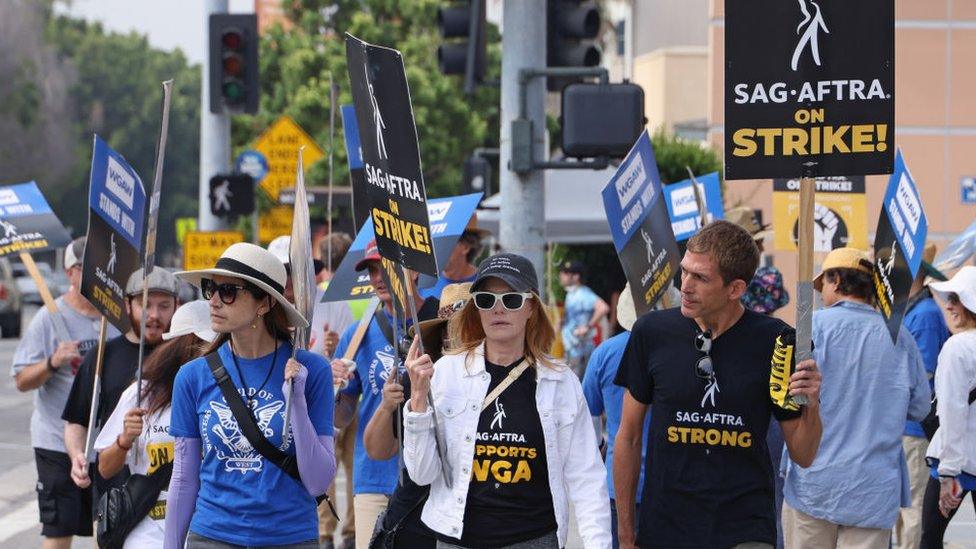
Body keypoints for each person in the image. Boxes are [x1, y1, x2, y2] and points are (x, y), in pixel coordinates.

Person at [613, 220, 823, 549]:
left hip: (744, 530)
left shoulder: (777, 342)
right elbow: (628, 436)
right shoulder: (651, 333)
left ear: (735, 289)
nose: (685, 285)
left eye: (700, 278)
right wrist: (625, 535)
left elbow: (804, 454)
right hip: (666, 528)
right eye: (684, 272)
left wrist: (812, 403)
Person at [403, 253, 612, 548]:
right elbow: (422, 474)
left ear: (530, 307)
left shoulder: (561, 382)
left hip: (532, 538)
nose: (497, 309)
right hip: (458, 539)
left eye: (511, 300)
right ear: (476, 308)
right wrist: (418, 400)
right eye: (486, 300)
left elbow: (587, 477)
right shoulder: (446, 373)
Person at [163, 243, 336, 548]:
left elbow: (319, 481)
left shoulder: (312, 371)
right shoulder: (192, 376)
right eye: (210, 288)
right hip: (213, 535)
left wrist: (296, 402)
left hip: (290, 537)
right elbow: (183, 478)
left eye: (228, 291)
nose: (214, 301)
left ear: (264, 304)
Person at [780, 247, 930, 548]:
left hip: (814, 480)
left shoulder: (813, 327)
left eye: (824, 285)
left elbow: (786, 398)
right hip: (873, 487)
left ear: (836, 279)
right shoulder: (899, 336)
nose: (822, 294)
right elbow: (920, 407)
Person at [11, 237, 121, 549]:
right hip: (55, 442)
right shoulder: (49, 317)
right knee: (59, 527)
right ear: (69, 272)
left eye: (97, 269)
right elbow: (21, 380)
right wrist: (52, 362)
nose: (90, 275)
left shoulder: (113, 318)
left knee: (112, 526)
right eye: (82, 268)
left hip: (105, 442)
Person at [331, 240, 439, 549]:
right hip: (374, 476)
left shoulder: (439, 324)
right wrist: (335, 389)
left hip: (430, 477)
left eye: (386, 268)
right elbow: (342, 416)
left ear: (414, 272)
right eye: (371, 271)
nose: (377, 278)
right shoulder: (357, 334)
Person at [93, 300, 216, 548]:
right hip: (147, 529)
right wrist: (124, 439)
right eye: (208, 347)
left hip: (205, 527)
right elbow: (105, 469)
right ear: (185, 345)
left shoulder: (220, 395)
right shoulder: (141, 395)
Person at [363, 282, 472, 548]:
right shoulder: (420, 376)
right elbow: (380, 450)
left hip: (474, 517)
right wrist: (389, 404)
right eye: (450, 331)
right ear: (441, 336)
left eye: (468, 330)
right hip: (416, 514)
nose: (456, 340)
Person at [62, 267, 179, 506]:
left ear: (177, 306)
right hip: (113, 502)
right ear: (128, 305)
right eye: (145, 304)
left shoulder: (187, 356)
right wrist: (77, 456)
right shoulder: (103, 355)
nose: (154, 314)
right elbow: (77, 419)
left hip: (171, 503)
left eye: (164, 306)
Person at [581, 284, 650, 549]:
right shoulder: (679, 353)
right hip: (671, 482)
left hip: (618, 482)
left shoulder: (604, 354)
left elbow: (588, 413)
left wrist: (599, 447)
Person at [896, 244, 950, 548]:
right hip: (903, 425)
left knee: (912, 507)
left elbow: (923, 378)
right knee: (903, 508)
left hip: (913, 427)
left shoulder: (925, 314)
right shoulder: (913, 310)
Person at [921, 265, 976, 548]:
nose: (950, 306)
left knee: (930, 539)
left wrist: (947, 473)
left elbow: (953, 412)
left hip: (960, 462)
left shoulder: (958, 347)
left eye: (956, 299)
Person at [559, 260, 610, 378]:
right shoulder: (571, 294)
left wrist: (587, 326)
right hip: (573, 349)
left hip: (581, 350)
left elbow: (603, 307)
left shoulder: (583, 294)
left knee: (578, 388)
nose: (561, 275)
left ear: (576, 276)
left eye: (566, 273)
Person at [420, 216, 488, 300]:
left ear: (465, 247)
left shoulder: (487, 284)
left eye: (444, 243)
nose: (436, 249)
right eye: (434, 243)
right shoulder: (424, 282)